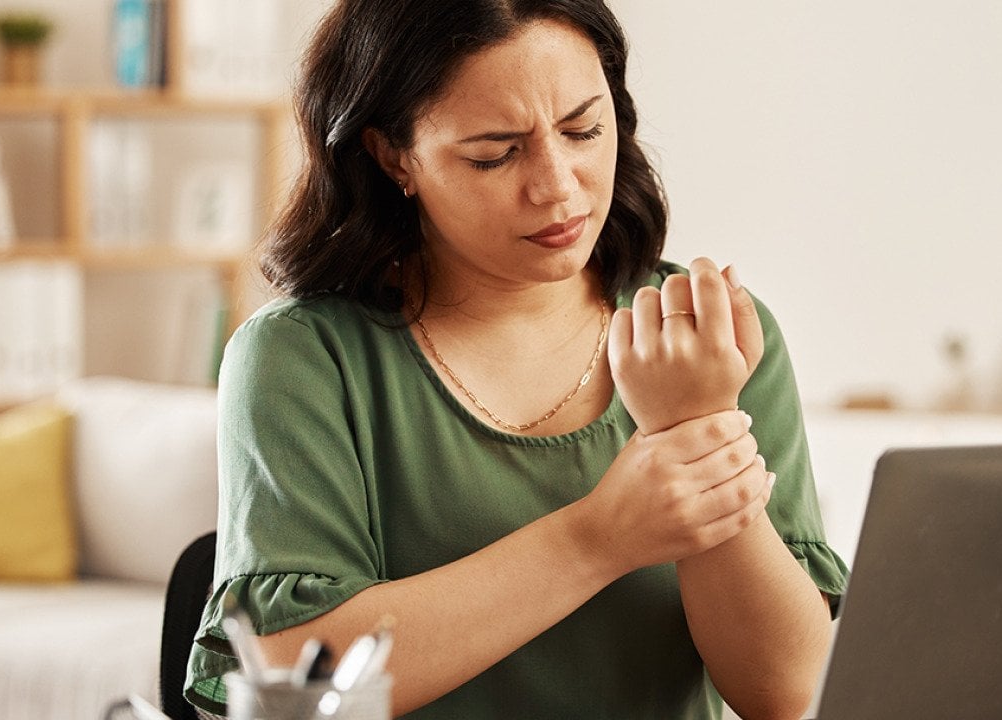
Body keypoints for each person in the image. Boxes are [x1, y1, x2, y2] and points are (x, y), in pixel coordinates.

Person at [185, 1, 848, 718]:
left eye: (585, 129)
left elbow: (787, 693)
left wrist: (697, 426)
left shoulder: (710, 337)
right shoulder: (302, 358)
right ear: (391, 155)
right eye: (495, 153)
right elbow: (300, 684)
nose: (558, 186)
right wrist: (598, 537)